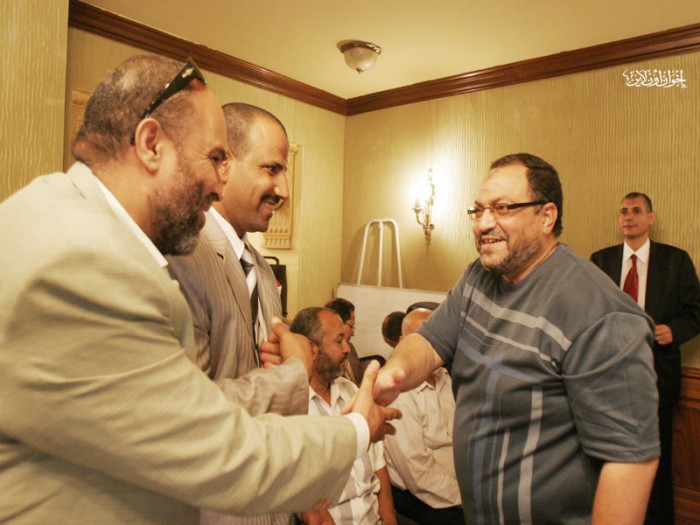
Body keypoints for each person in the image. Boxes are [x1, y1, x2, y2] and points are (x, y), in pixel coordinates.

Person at [0, 54, 399, 525]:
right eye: (214, 158)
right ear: (151, 144)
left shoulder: (64, 216)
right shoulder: (85, 262)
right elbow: (217, 449)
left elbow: (177, 411)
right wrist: (355, 428)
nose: (218, 181)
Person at [374, 153, 660, 525]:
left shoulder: (601, 316)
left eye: (503, 208)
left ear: (547, 216)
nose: (483, 223)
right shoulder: (478, 277)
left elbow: (630, 461)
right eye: (478, 210)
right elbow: (429, 340)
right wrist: (392, 375)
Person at [167, 102, 301, 525]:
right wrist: (295, 371)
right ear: (225, 164)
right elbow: (190, 411)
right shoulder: (184, 256)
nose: (284, 190)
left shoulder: (261, 268)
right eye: (272, 169)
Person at [591, 192, 700, 524]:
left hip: (657, 376)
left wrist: (674, 331)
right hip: (607, 378)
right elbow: (588, 313)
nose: (628, 217)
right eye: (623, 211)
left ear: (650, 218)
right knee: (608, 457)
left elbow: (696, 312)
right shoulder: (601, 261)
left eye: (636, 211)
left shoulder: (675, 261)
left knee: (656, 460)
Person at [290, 307, 397, 525]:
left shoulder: (352, 391)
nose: (347, 349)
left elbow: (379, 466)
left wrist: (389, 518)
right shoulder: (292, 408)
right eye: (339, 341)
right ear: (312, 348)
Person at [383, 308, 463, 525]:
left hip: (458, 483)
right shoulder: (397, 391)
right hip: (423, 496)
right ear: (402, 343)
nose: (431, 347)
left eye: (435, 339)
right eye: (423, 339)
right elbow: (418, 474)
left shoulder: (444, 376)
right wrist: (467, 497)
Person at [325, 297, 363, 385]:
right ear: (338, 322)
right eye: (351, 327)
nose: (353, 333)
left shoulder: (351, 348)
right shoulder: (324, 355)